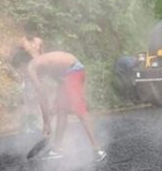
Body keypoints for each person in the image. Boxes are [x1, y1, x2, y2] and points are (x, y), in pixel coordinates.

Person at [15, 33, 107, 162]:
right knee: (61, 110)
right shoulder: (44, 62)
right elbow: (60, 81)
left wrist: (46, 122)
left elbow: (41, 94)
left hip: (73, 70)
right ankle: (57, 149)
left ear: (22, 65)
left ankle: (98, 150)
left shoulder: (32, 66)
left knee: (79, 109)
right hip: (71, 72)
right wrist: (56, 103)